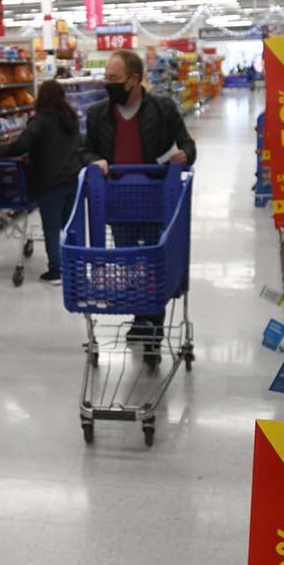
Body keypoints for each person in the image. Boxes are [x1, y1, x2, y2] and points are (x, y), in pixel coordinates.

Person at [82, 49, 197, 344]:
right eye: (106, 77)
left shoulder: (163, 108)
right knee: (131, 264)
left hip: (156, 200)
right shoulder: (97, 113)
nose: (108, 83)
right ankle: (140, 318)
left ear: (134, 80)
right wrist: (95, 160)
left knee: (152, 262)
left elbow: (186, 142)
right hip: (118, 202)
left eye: (114, 78)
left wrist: (186, 154)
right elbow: (86, 150)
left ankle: (152, 322)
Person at [0, 80, 83, 284]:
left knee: (52, 228)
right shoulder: (71, 119)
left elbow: (22, 144)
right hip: (73, 179)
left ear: (42, 97)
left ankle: (56, 271)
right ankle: (75, 266)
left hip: (51, 181)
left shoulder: (41, 120)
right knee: (69, 226)